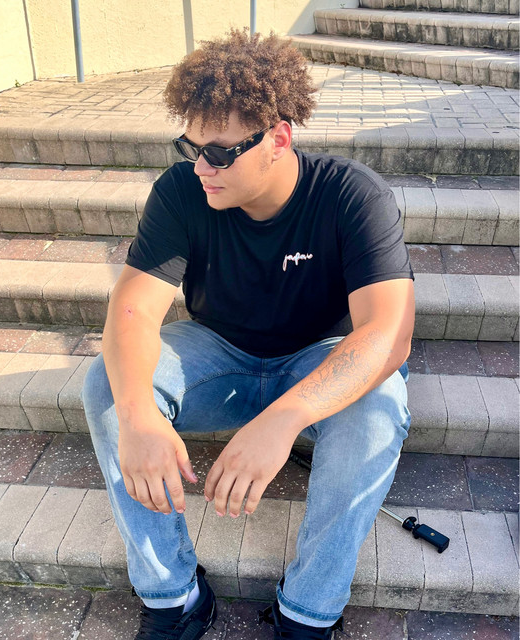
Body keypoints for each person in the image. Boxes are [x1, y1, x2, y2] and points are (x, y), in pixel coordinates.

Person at [82, 29, 415, 640]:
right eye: (191, 147)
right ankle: (175, 597)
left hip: (319, 360)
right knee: (110, 385)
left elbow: (388, 335)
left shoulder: (351, 195)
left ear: (278, 139)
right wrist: (138, 416)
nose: (201, 167)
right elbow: (132, 311)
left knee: (379, 407)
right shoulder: (182, 191)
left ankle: (307, 612)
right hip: (220, 354)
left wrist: (283, 421)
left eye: (220, 152)